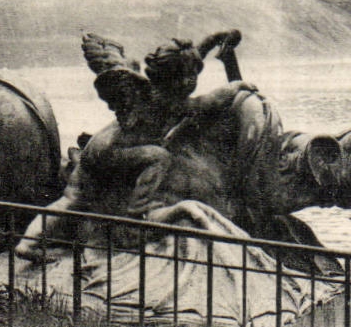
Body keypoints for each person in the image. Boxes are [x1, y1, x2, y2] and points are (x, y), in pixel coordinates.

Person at [14, 28, 249, 260]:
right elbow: (207, 102)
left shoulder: (157, 88)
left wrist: (213, 40)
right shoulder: (166, 101)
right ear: (175, 79)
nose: (192, 80)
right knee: (159, 157)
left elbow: (188, 58)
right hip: (112, 151)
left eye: (194, 74)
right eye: (188, 76)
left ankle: (28, 242)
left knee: (72, 198)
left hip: (102, 144)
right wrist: (236, 87)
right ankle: (137, 214)